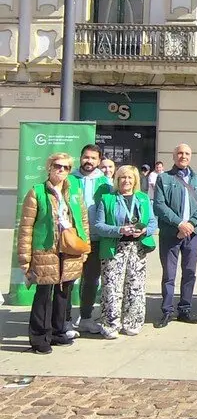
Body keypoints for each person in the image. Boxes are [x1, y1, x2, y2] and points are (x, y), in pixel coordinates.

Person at [17, 153, 90, 354]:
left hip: (69, 249)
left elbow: (83, 221)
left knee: (63, 293)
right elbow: (26, 228)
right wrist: (25, 257)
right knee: (43, 294)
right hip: (45, 250)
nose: (61, 170)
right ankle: (39, 337)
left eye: (66, 167)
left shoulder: (73, 191)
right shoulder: (37, 192)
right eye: (57, 166)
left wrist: (86, 247)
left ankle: (58, 332)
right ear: (49, 167)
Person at [93, 165, 158, 338]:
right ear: (117, 180)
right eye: (123, 177)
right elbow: (99, 226)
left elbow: (152, 223)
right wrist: (120, 230)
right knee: (112, 288)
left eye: (130, 178)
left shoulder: (143, 198)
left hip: (137, 249)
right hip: (115, 248)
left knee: (135, 287)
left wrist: (144, 231)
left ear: (135, 180)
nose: (126, 181)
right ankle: (110, 324)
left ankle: (132, 322)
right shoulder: (107, 199)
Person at [152, 143, 197, 328]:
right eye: (180, 153)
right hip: (171, 232)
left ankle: (185, 308)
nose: (183, 156)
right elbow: (159, 205)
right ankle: (167, 311)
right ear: (174, 156)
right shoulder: (164, 178)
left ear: (190, 156)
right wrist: (179, 223)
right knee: (169, 273)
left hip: (192, 234)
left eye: (186, 153)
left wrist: (192, 224)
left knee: (189, 272)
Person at [69, 144, 113, 336]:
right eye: (86, 157)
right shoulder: (69, 179)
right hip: (72, 238)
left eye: (93, 158)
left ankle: (86, 317)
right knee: (68, 279)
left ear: (99, 160)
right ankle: (65, 320)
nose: (89, 161)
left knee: (91, 280)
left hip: (95, 239)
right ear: (81, 157)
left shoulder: (106, 183)